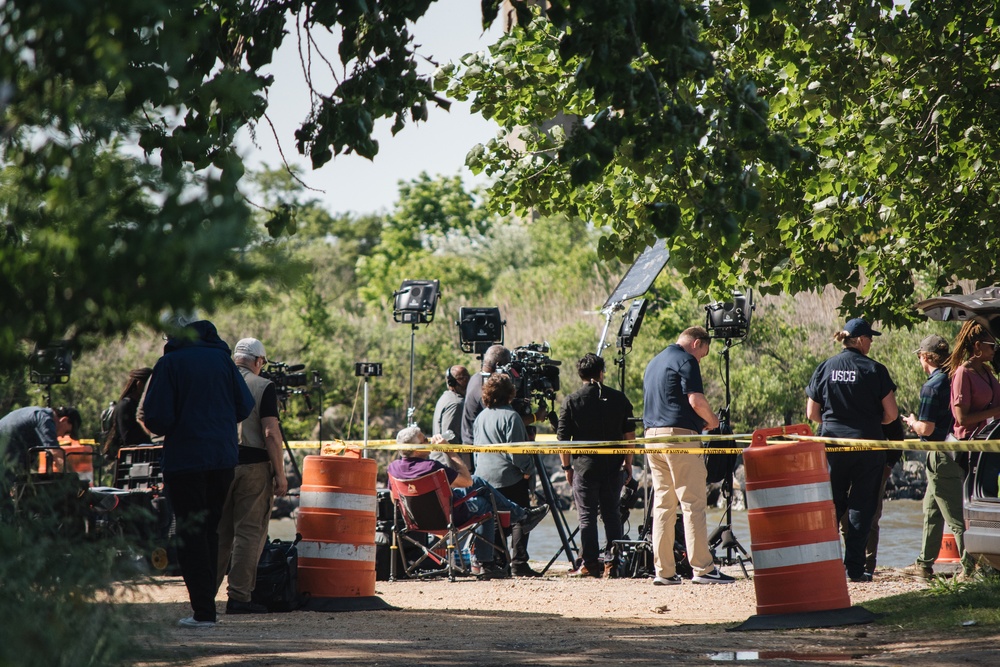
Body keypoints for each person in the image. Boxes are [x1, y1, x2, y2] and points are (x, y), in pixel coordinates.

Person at [141, 320, 255, 629]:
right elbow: (244, 406)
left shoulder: (169, 363)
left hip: (185, 461)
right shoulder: (221, 359)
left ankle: (203, 611)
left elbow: (157, 418)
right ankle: (207, 610)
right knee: (210, 531)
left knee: (190, 533)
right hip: (222, 459)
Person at [388, 426, 549, 580]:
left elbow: (394, 499)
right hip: (449, 517)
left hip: (416, 520)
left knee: (480, 483)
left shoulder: (393, 469)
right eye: (424, 440)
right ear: (416, 449)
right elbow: (466, 480)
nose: (428, 441)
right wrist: (448, 450)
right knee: (484, 503)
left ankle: (520, 517)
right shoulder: (432, 467)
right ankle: (486, 560)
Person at [806, 318, 898, 583]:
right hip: (867, 447)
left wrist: (837, 423)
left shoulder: (825, 367)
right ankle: (855, 570)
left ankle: (823, 566)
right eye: (870, 337)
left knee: (829, 506)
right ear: (859, 340)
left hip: (832, 446)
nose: (871, 342)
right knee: (861, 508)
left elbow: (812, 413)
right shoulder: (875, 370)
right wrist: (868, 423)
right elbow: (891, 415)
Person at [642, 326, 734, 585]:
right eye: (704, 353)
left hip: (652, 437)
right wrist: (712, 421)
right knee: (692, 502)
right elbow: (696, 400)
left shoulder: (654, 361)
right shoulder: (686, 360)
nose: (702, 358)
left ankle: (664, 572)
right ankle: (703, 569)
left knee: (663, 505)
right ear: (696, 343)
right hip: (680, 438)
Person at [216, 338, 289, 614]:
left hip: (219, 465)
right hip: (254, 467)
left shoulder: (219, 381)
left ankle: (203, 597)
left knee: (219, 532)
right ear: (258, 361)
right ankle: (239, 597)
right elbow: (271, 433)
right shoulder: (263, 386)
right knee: (249, 532)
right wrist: (280, 475)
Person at [557, 353, 635, 578]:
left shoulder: (571, 400)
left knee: (586, 516)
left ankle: (590, 564)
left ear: (580, 374)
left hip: (584, 467)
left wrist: (566, 468)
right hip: (613, 466)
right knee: (612, 514)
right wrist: (628, 463)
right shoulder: (619, 398)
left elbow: (563, 440)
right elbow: (629, 434)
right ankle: (612, 563)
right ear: (601, 373)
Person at [901, 334, 973, 579]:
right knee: (931, 510)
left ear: (926, 357)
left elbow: (927, 429)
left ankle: (971, 567)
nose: (920, 361)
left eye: (920, 357)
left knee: (954, 516)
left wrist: (913, 423)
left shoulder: (931, 386)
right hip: (955, 451)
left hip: (941, 455)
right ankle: (923, 564)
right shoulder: (955, 378)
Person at [473, 373, 545, 577]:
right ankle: (519, 562)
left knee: (495, 519)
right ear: (510, 394)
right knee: (521, 516)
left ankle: (498, 561)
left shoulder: (481, 417)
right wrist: (527, 472)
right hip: (508, 475)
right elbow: (517, 452)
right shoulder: (511, 416)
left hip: (485, 475)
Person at [461, 344, 546, 445]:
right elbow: (504, 421)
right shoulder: (485, 387)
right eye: (508, 366)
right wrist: (536, 416)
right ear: (499, 364)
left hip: (477, 443)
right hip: (476, 447)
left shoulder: (476, 377)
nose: (510, 371)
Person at [0, 405, 81, 485]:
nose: (63, 436)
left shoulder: (40, 414)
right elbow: (57, 455)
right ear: (64, 420)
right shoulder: (45, 419)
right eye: (67, 432)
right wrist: (74, 481)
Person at [102, 368, 154, 459]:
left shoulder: (147, 406)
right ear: (139, 384)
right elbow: (128, 438)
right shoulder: (125, 405)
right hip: (130, 457)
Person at [430, 365, 471, 470]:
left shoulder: (447, 397)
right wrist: (457, 472)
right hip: (447, 466)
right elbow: (449, 439)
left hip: (443, 464)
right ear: (452, 382)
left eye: (468, 377)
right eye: (463, 378)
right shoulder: (456, 404)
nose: (468, 381)